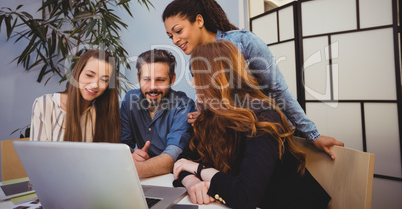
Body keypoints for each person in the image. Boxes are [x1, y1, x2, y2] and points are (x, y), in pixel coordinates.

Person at [162, 0, 344, 159]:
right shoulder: (195, 63)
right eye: (170, 36)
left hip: (267, 136)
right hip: (232, 145)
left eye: (178, 31)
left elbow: (279, 92)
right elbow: (216, 107)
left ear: (199, 21)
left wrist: (313, 135)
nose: (175, 40)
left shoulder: (243, 42)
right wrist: (202, 116)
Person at [173, 40, 331, 208]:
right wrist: (191, 182)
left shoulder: (264, 118)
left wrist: (200, 170)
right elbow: (184, 160)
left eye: (197, 75)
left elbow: (245, 197)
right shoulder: (209, 117)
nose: (192, 83)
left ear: (219, 78)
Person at [120, 49, 195, 178]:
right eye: (146, 79)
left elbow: (171, 158)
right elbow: (122, 146)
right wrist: (132, 154)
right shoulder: (129, 100)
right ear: (138, 78)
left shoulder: (184, 105)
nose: (152, 87)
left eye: (160, 80)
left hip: (176, 179)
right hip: (142, 178)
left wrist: (131, 169)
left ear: (172, 79)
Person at [30, 49, 120, 142]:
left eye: (104, 80)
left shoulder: (105, 112)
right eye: (89, 75)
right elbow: (36, 154)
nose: (95, 85)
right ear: (77, 73)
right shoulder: (44, 104)